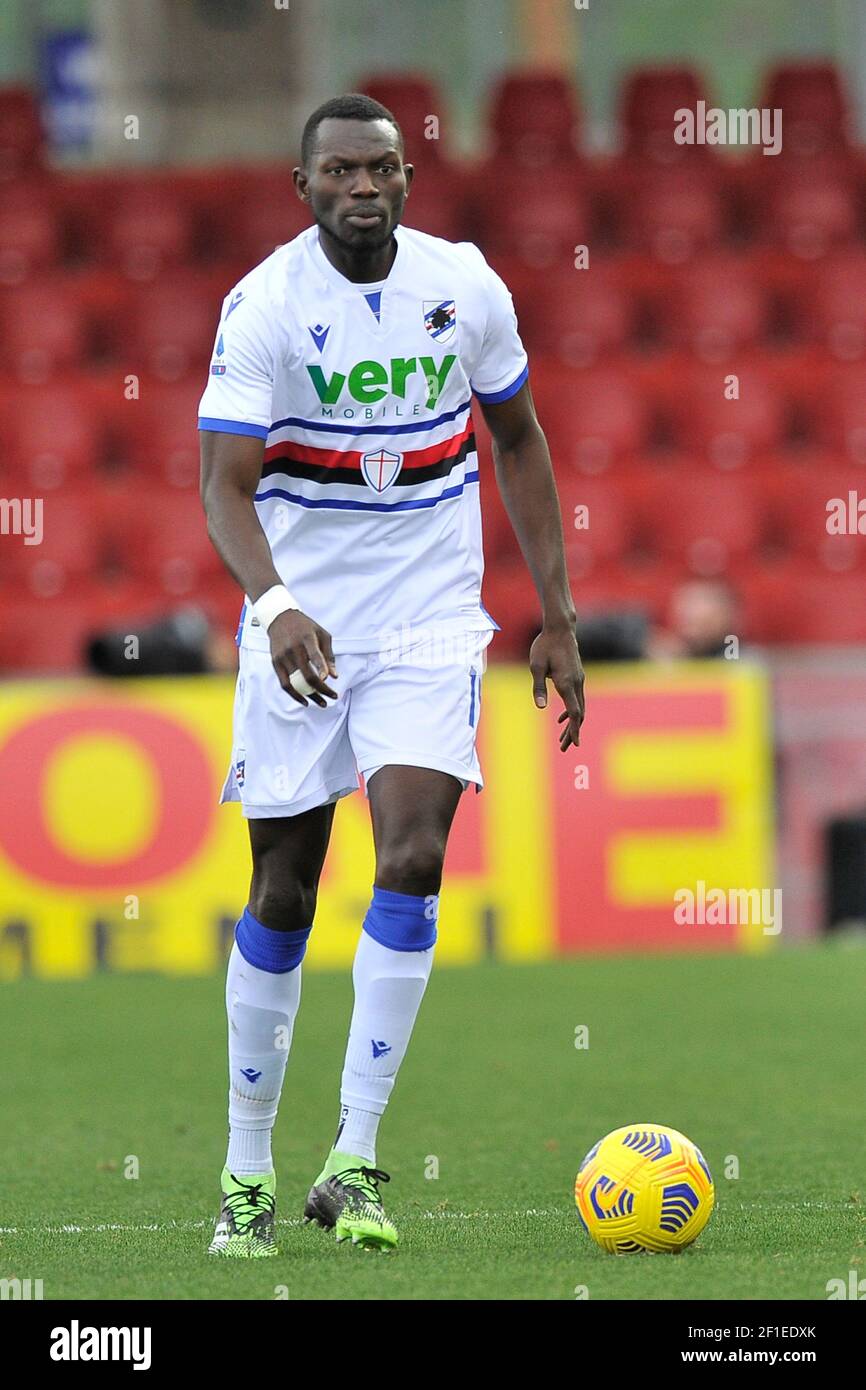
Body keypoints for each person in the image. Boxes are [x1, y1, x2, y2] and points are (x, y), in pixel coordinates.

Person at [198, 93, 584, 1255]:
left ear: (407, 179)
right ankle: (246, 1167)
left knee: (413, 855)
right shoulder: (262, 304)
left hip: (425, 619)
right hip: (302, 627)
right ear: (301, 185)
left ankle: (355, 1157)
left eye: (382, 169)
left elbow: (515, 438)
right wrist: (273, 604)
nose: (363, 188)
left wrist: (554, 616)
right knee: (284, 894)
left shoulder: (462, 285)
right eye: (341, 173)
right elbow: (221, 483)